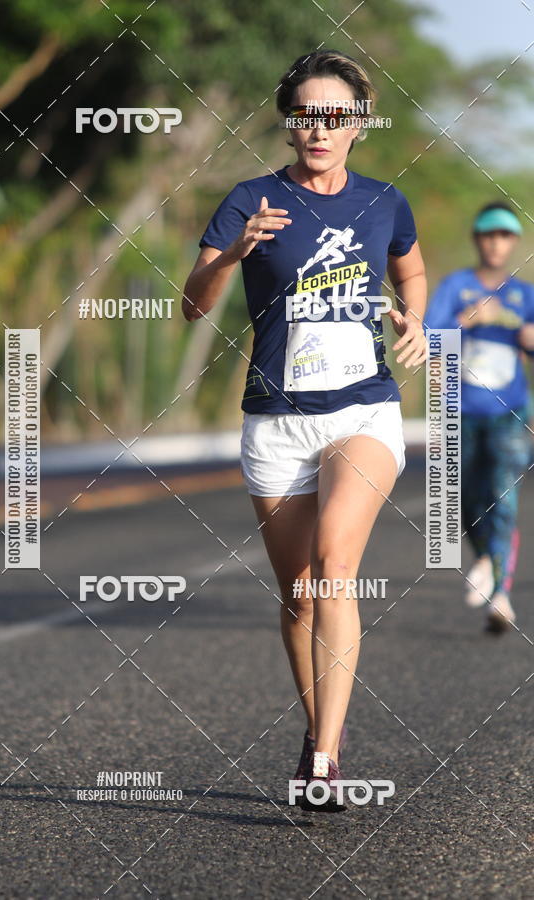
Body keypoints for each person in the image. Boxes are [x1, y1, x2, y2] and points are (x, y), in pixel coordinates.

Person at [182, 50, 427, 810]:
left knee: (332, 566)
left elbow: (410, 269)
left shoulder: (385, 201)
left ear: (358, 124)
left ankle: (323, 761)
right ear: (289, 123)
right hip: (276, 422)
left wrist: (415, 316)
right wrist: (236, 252)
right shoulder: (250, 200)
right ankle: (320, 727)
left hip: (364, 409)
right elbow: (193, 303)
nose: (318, 127)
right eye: (305, 114)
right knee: (297, 598)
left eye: (335, 114)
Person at [424, 203, 534, 633]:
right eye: (489, 234)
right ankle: (485, 557)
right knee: (466, 501)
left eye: (505, 235)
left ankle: (501, 596)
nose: (496, 242)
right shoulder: (457, 286)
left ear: (513, 243)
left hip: (510, 414)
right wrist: (471, 317)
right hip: (458, 412)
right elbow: (431, 339)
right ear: (477, 239)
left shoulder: (524, 295)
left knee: (502, 494)